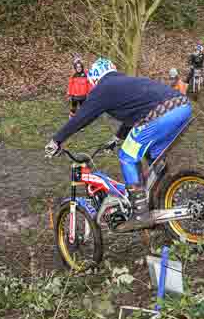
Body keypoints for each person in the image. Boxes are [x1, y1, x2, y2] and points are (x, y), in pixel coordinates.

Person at [45, 58, 192, 230]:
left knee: (127, 155)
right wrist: (116, 138)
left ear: (95, 79)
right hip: (182, 107)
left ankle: (140, 214)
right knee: (154, 157)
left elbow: (82, 117)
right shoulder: (125, 83)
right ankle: (163, 194)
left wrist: (57, 140)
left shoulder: (103, 88)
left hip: (163, 113)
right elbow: (134, 114)